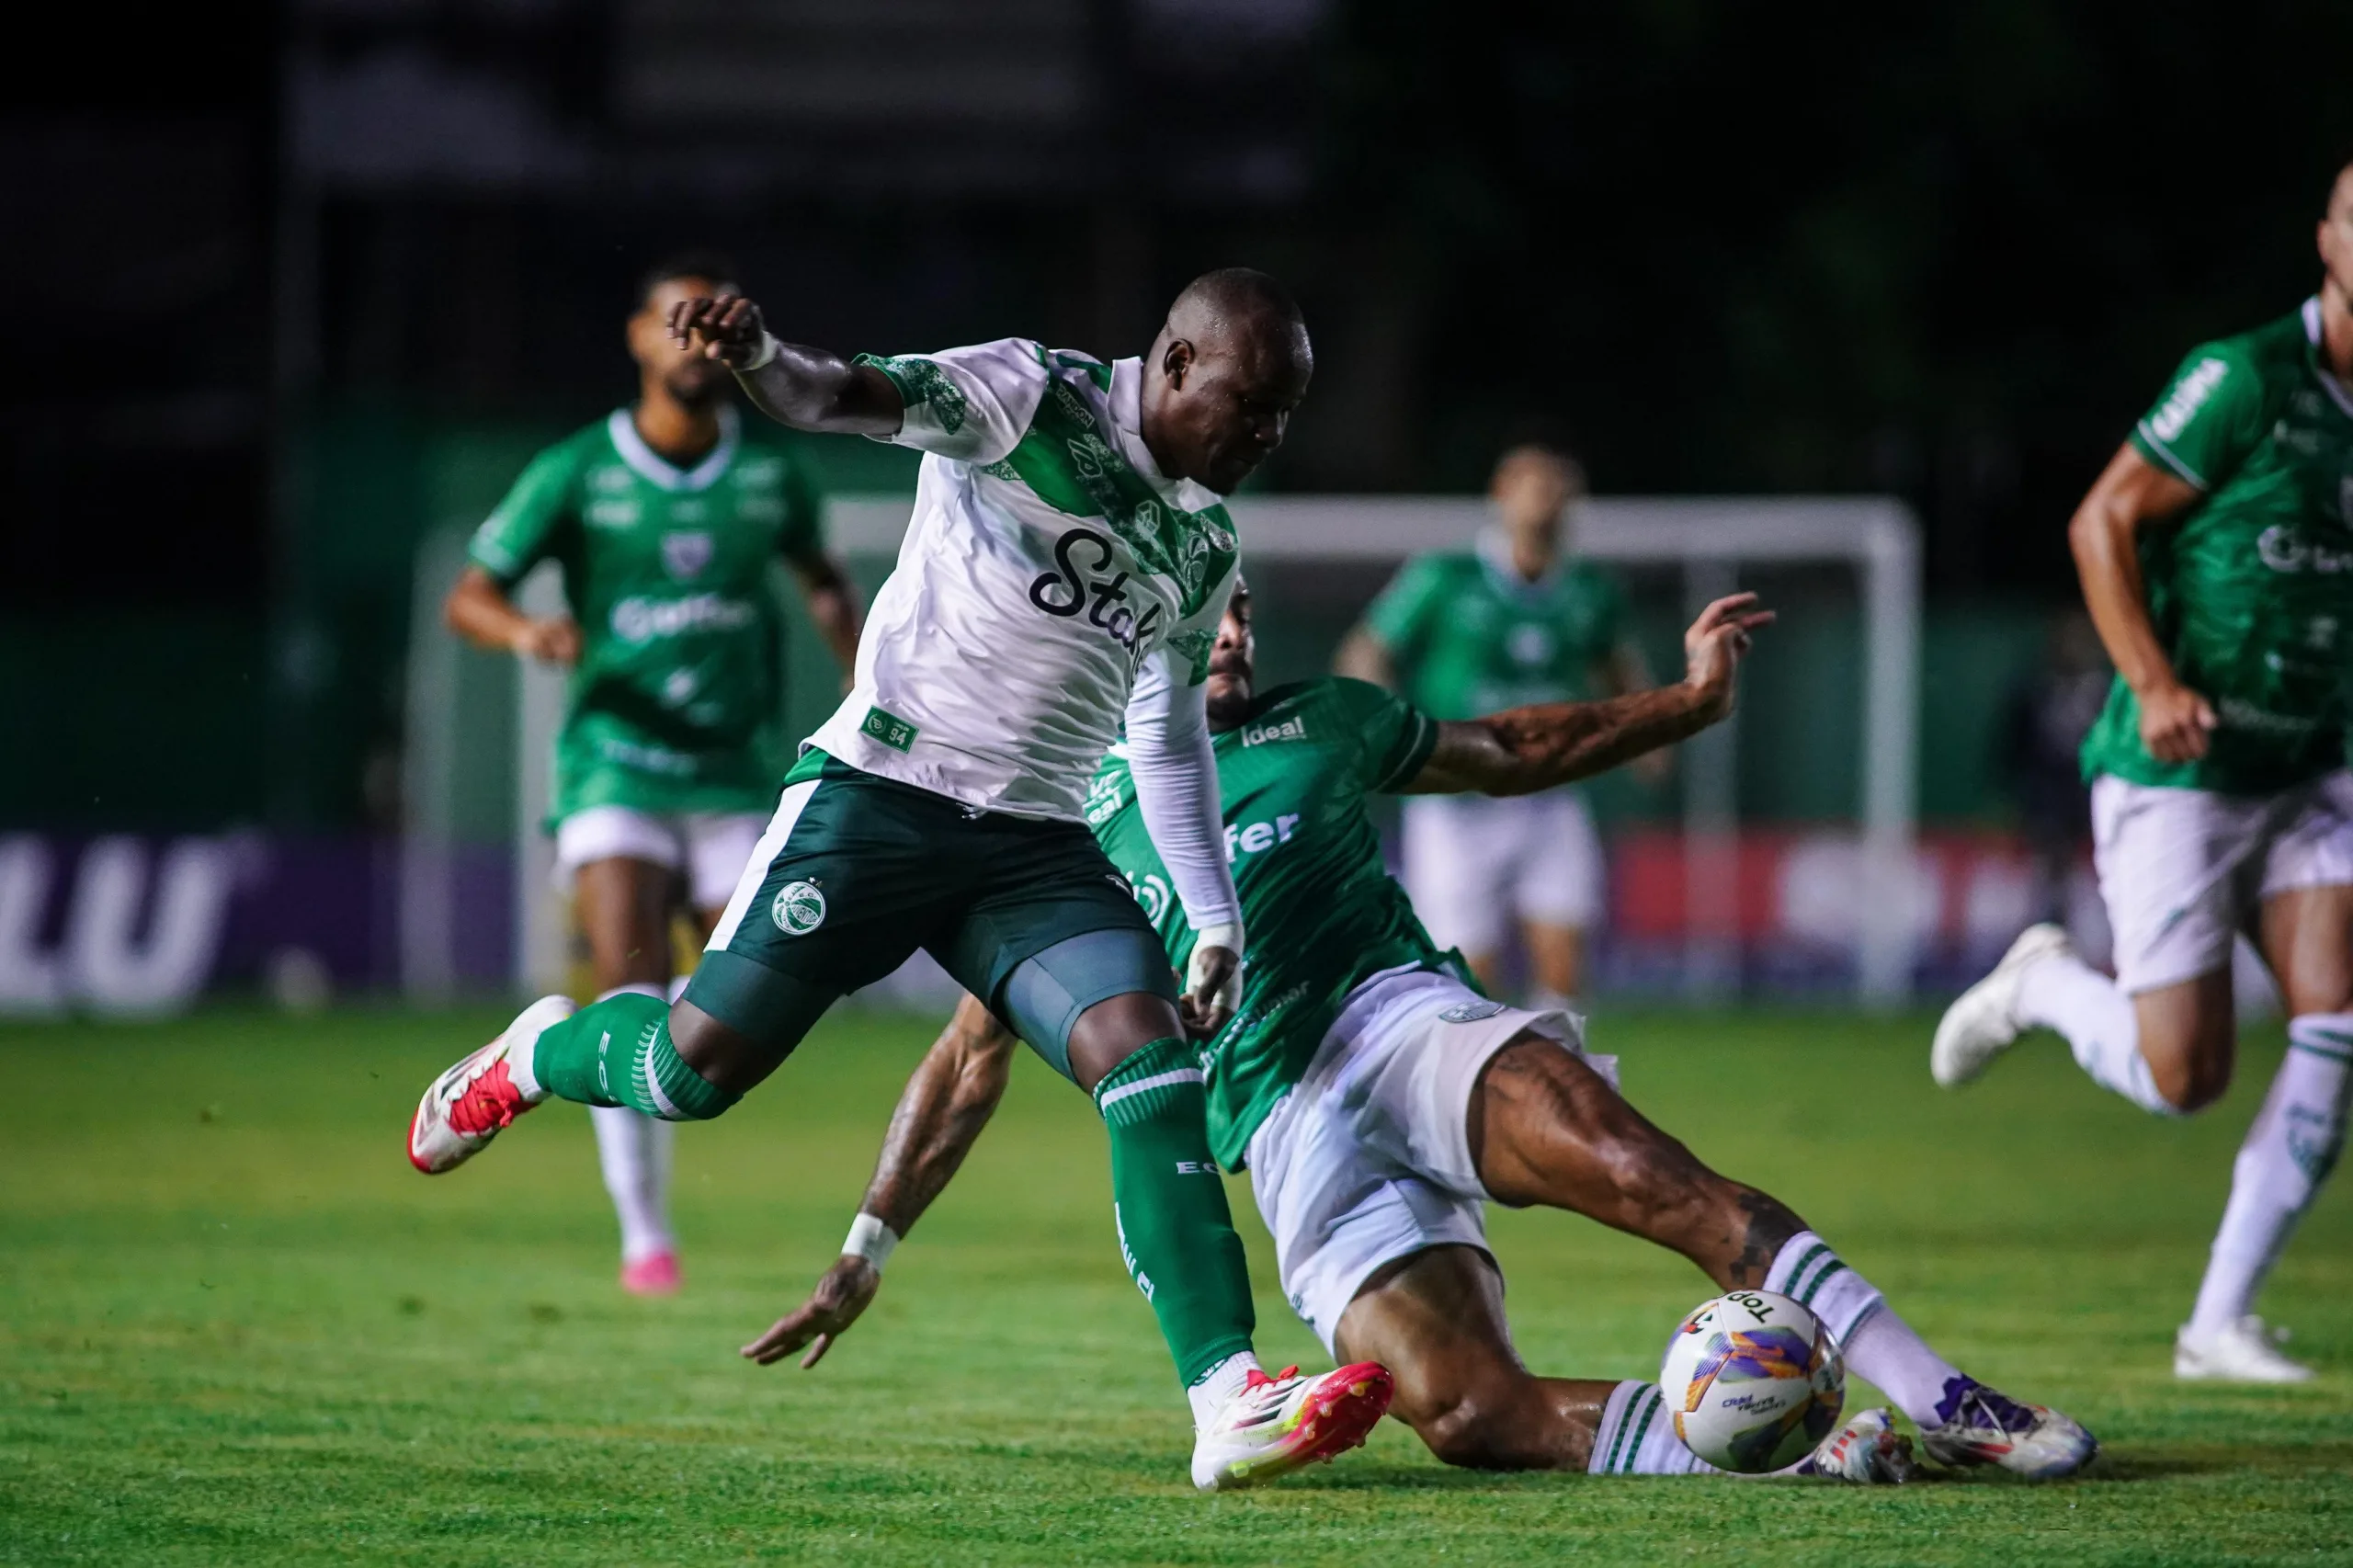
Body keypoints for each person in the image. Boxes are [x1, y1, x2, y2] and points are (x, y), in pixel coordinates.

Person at [408, 267, 1398, 1491]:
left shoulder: (1201, 539)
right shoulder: (1032, 396)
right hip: (878, 797)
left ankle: (1228, 1396)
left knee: (1148, 1060)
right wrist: (763, 346)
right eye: (1251, 406)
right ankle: (533, 1054)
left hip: (1032, 846)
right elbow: (836, 395)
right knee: (686, 1070)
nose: (1261, 437)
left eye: (1284, 420)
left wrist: (1214, 916)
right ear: (1181, 365)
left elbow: (1170, 733)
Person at [759, 580, 2097, 1482]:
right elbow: (968, 1057)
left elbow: (1509, 746)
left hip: (1403, 1021)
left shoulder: (1322, 718)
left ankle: (1948, 1401)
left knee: (1646, 1174)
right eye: (1194, 626)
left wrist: (1683, 704)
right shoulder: (1057, 827)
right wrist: (864, 1246)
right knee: (1462, 1409)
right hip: (1278, 1129)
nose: (1225, 638)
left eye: (1233, 616)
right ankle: (1818, 1458)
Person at [1933, 159, 2353, 1383]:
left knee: (2338, 1019)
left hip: (2315, 762)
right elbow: (2100, 520)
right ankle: (2050, 984)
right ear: (2326, 237)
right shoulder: (2247, 378)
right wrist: (2158, 682)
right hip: (2183, 768)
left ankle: (2216, 1321)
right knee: (2186, 1077)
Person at [442, 253, 862, 1296]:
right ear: (637, 337)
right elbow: (469, 594)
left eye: (708, 324)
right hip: (613, 771)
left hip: (731, 774)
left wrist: (872, 693)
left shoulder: (769, 475)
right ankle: (644, 1240)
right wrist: (527, 631)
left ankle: (551, 1046)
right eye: (672, 321)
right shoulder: (578, 468)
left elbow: (823, 583)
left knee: (760, 998)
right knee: (631, 982)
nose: (690, 339)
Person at [1336, 442, 1658, 1009]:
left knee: (1564, 966)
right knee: (1472, 978)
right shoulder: (1445, 576)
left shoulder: (1589, 590)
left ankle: (1562, 1084)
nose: (1548, 503)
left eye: (1559, 490)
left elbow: (1618, 667)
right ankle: (1490, 1088)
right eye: (1535, 488)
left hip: (1549, 794)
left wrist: (1648, 735)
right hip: (1457, 799)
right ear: (1501, 497)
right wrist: (1378, 721)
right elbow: (1368, 649)